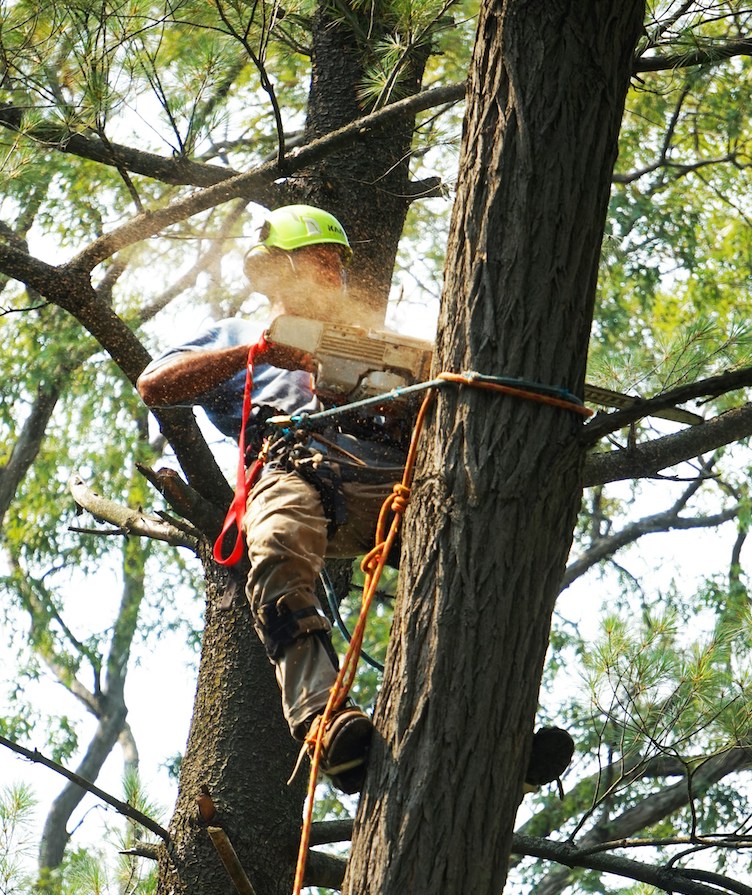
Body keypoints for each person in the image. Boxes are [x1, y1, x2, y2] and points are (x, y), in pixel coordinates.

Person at [137, 204, 575, 795]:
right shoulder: (237, 337)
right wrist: (262, 353)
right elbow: (155, 386)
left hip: (392, 480)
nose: (334, 276)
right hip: (296, 470)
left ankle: (493, 726)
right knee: (280, 543)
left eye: (338, 265)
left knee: (479, 548)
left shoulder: (374, 344)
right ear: (275, 271)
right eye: (320, 262)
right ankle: (324, 722)